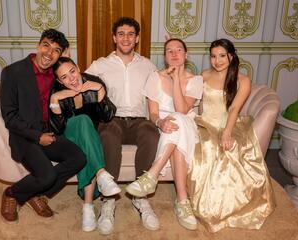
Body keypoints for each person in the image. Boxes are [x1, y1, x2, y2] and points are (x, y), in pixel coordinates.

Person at [189, 38, 276, 232]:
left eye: (222, 55)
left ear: (231, 56)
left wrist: (227, 133)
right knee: (206, 148)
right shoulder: (204, 75)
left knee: (225, 150)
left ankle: (225, 207)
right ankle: (203, 204)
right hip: (205, 123)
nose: (217, 60)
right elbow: (191, 95)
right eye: (213, 56)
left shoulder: (242, 80)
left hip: (229, 124)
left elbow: (235, 108)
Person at [0, 29, 86, 222]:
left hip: (49, 133)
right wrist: (37, 137)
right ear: (39, 45)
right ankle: (13, 193)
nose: (49, 53)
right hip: (24, 136)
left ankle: (36, 195)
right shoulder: (12, 72)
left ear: (61, 54)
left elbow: (75, 80)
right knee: (46, 175)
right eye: (46, 45)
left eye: (56, 50)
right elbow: (9, 116)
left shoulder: (56, 76)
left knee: (79, 158)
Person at [85, 17, 160, 234]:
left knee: (151, 134)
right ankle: (108, 200)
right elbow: (79, 84)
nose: (125, 38)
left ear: (136, 39)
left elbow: (159, 92)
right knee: (107, 135)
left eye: (130, 34)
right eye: (121, 34)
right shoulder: (100, 65)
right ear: (114, 38)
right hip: (113, 119)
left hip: (139, 120)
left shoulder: (148, 65)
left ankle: (140, 195)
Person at [125, 38, 203, 230]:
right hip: (163, 129)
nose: (174, 54)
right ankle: (183, 202)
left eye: (178, 50)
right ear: (165, 56)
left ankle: (152, 174)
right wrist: (161, 122)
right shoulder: (155, 77)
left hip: (186, 125)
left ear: (186, 54)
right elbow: (152, 113)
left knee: (178, 118)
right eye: (169, 51)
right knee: (174, 131)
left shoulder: (196, 80)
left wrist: (176, 79)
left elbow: (182, 110)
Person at [49, 57, 121, 232]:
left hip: (89, 137)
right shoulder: (57, 90)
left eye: (72, 71)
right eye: (64, 77)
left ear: (78, 67)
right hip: (67, 135)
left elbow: (108, 116)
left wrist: (99, 90)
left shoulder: (93, 82)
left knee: (86, 145)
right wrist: (55, 100)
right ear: (59, 80)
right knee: (81, 120)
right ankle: (102, 173)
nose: (71, 79)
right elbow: (56, 129)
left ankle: (88, 206)